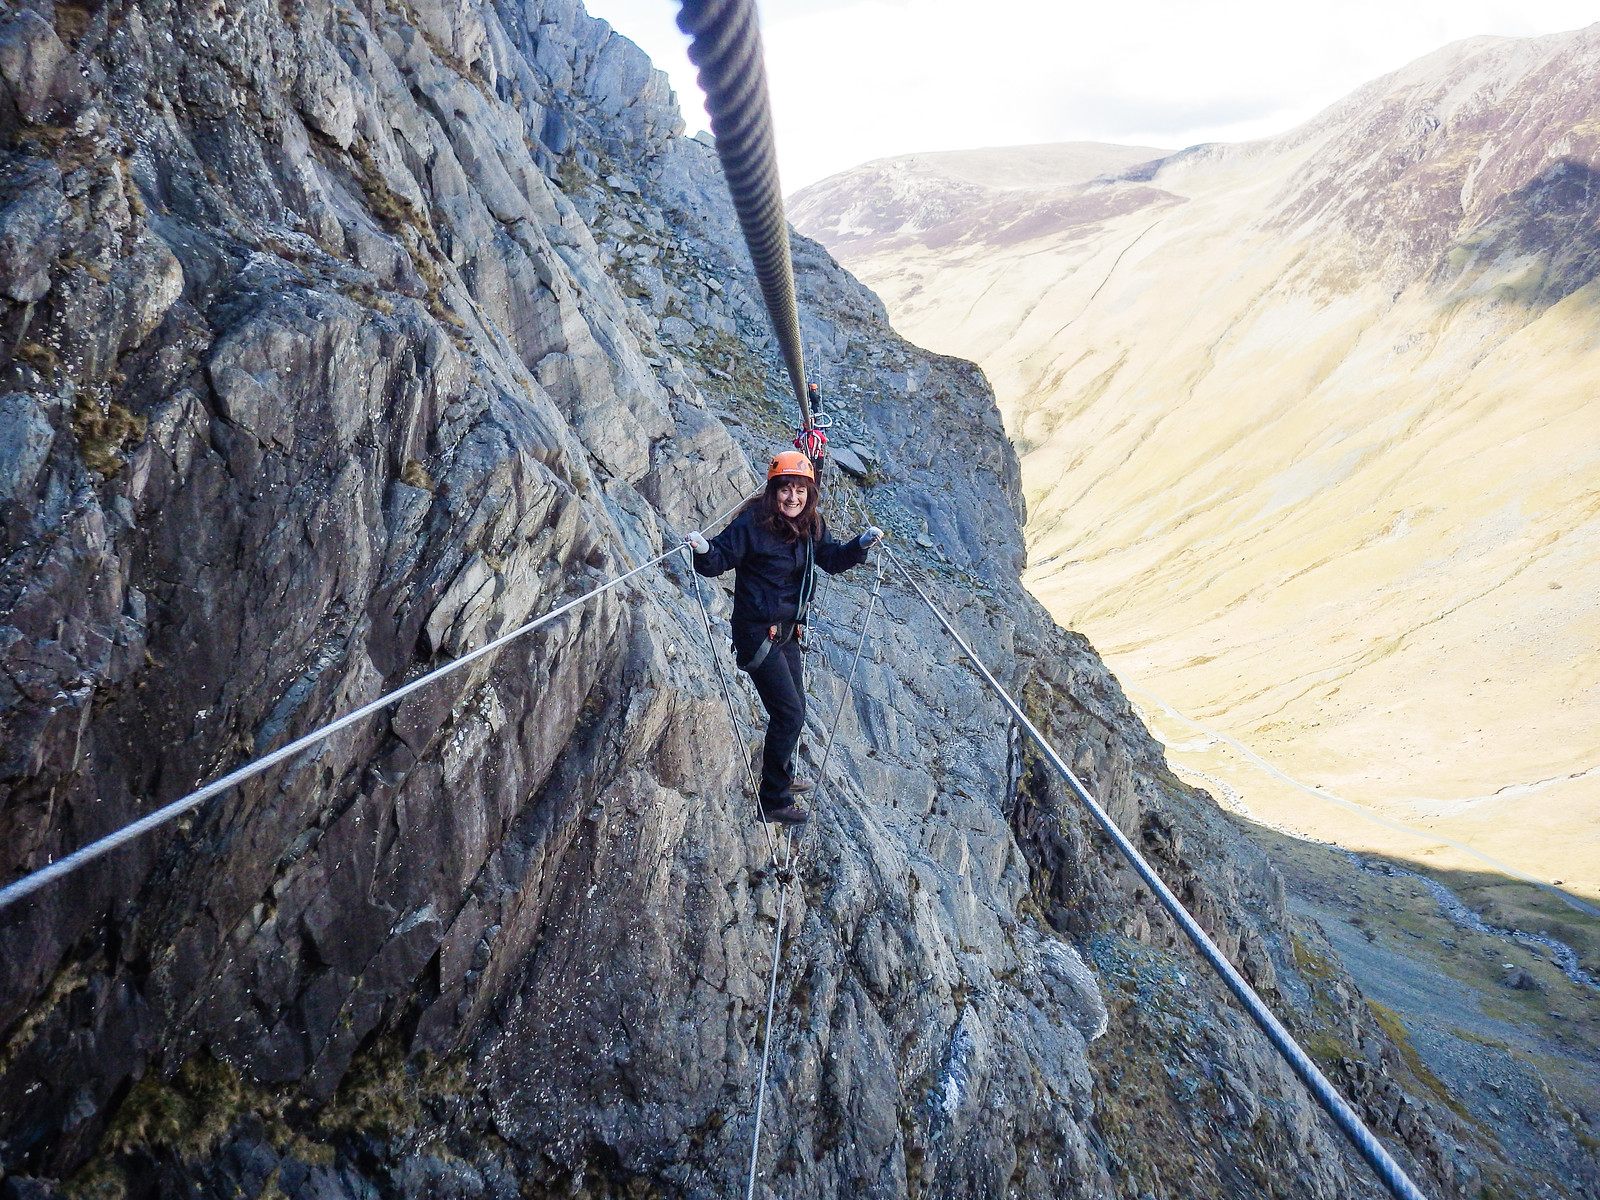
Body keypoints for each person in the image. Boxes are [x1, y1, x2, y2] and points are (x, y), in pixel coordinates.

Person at [686, 451, 883, 825]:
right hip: (757, 633)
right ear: (773, 490)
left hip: (788, 633)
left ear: (810, 495)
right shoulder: (752, 524)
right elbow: (719, 559)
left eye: (800, 491)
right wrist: (704, 549)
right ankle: (773, 801)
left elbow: (831, 560)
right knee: (788, 714)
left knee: (795, 711)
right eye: (785, 490)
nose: (793, 498)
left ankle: (781, 779)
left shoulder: (811, 526)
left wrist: (859, 546)